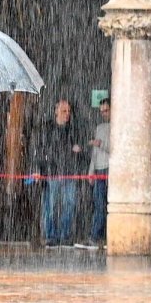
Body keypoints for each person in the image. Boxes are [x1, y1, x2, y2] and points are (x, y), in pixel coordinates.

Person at [30, 99, 87, 247]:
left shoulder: (73, 129)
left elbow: (81, 149)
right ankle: (51, 236)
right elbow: (40, 150)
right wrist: (36, 169)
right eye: (64, 111)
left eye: (68, 111)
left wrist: (79, 151)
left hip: (69, 172)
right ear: (56, 111)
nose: (67, 114)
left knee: (70, 204)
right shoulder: (46, 129)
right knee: (51, 205)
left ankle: (65, 235)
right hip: (52, 172)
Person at [79, 97, 110, 249]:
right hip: (98, 169)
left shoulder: (119, 126)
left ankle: (100, 236)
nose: (104, 114)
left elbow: (120, 148)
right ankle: (95, 236)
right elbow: (95, 152)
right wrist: (91, 170)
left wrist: (101, 144)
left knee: (108, 206)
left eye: (106, 111)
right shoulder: (99, 127)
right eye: (102, 111)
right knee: (98, 205)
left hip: (110, 170)